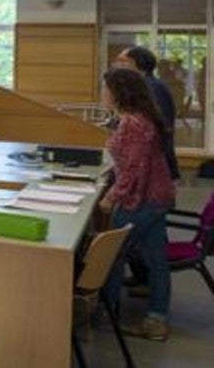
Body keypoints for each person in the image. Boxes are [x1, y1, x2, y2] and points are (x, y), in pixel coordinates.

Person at [99, 67, 177, 342]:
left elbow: (132, 170)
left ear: (119, 92)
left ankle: (104, 311)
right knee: (157, 259)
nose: (103, 93)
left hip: (144, 199)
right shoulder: (141, 118)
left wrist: (111, 198)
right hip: (158, 196)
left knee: (109, 253)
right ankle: (156, 319)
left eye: (105, 88)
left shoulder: (133, 123)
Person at [114, 46, 180, 180]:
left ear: (135, 63)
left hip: (154, 161)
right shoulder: (143, 86)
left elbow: (158, 126)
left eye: (123, 61)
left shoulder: (153, 88)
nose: (118, 65)